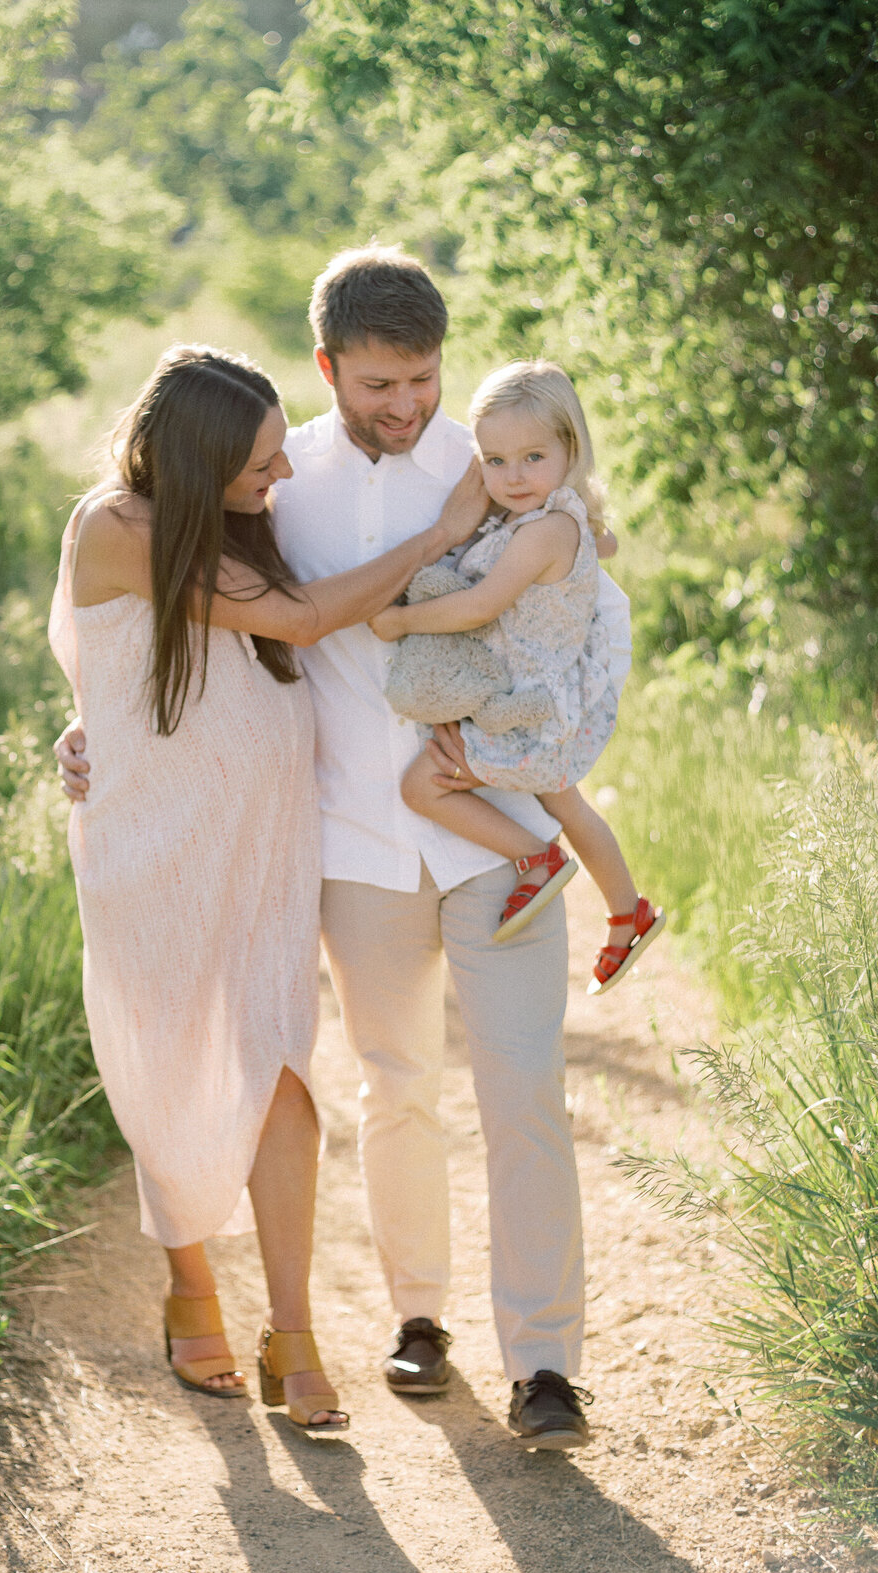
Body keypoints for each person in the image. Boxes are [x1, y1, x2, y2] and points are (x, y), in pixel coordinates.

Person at [57, 250, 629, 1449]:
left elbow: (588, 610)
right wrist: (90, 721)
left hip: (498, 833)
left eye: (421, 378)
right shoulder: (276, 486)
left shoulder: (502, 464)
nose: (406, 403)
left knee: (524, 1089)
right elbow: (195, 617)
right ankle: (419, 1319)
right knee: (394, 1084)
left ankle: (545, 1363)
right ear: (328, 368)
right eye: (379, 382)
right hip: (352, 836)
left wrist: (552, 740)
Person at [47, 343, 484, 1433]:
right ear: (195, 460)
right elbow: (291, 622)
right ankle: (191, 1284)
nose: (279, 477)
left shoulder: (243, 528)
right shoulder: (115, 526)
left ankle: (293, 1327)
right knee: (166, 1064)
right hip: (151, 843)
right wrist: (437, 537)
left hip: (262, 843)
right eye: (259, 462)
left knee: (281, 1073)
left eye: (283, 456)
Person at [371, 359, 665, 995]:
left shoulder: (544, 531)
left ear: (570, 449)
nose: (512, 476)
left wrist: (402, 621)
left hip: (528, 706)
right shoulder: (553, 519)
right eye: (494, 461)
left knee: (424, 785)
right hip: (533, 698)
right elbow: (600, 545)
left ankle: (536, 857)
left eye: (533, 457)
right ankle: (627, 912)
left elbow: (480, 606)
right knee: (569, 803)